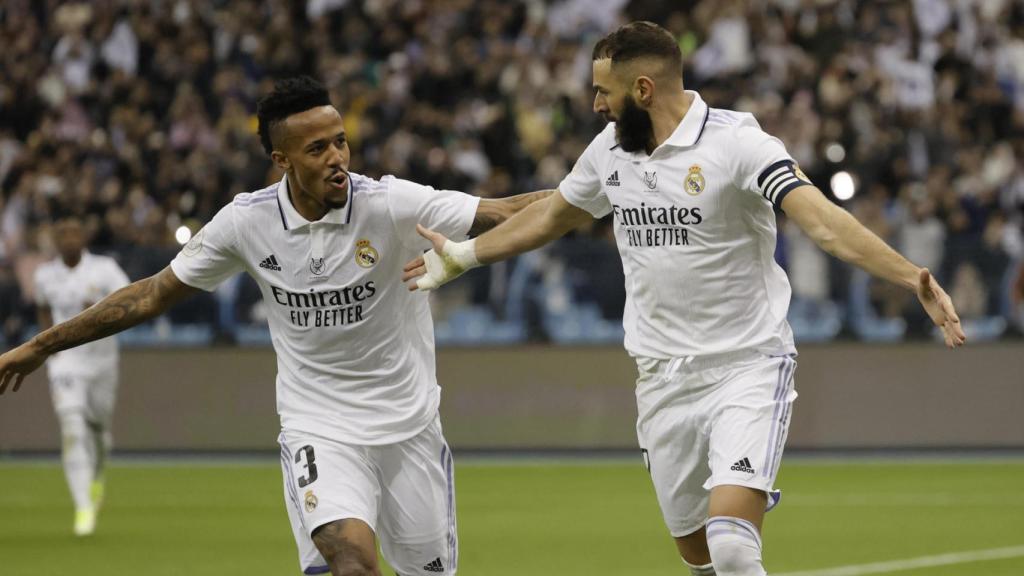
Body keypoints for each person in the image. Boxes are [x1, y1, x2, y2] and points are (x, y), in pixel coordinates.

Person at [402, 22, 966, 576]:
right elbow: (551, 217)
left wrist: (908, 274)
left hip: (746, 367)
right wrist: (462, 256)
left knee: (734, 549)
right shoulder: (609, 153)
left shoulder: (739, 143)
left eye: (604, 91)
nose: (596, 104)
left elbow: (822, 222)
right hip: (661, 381)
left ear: (642, 90)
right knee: (699, 558)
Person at [0, 76, 550, 576]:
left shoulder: (391, 204)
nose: (337, 158)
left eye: (340, 140)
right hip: (319, 428)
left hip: (409, 429)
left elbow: (504, 212)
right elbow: (151, 294)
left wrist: (597, 192)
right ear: (281, 160)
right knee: (351, 563)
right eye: (317, 148)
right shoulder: (247, 222)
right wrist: (40, 346)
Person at [33, 213, 130, 536]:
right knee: (72, 425)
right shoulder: (45, 275)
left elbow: (129, 300)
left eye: (75, 233)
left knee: (98, 428)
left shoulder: (104, 269)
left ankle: (98, 475)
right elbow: (43, 308)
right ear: (57, 241)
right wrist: (48, 347)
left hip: (101, 360)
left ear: (83, 238)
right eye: (63, 234)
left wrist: (102, 307)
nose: (70, 239)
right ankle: (83, 508)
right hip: (65, 361)